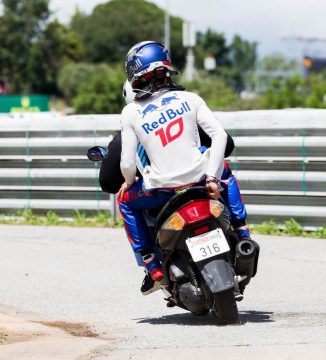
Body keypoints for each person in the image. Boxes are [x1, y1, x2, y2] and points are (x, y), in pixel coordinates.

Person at [117, 41, 253, 287]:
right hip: (201, 179)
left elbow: (127, 164)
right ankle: (242, 231)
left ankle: (150, 263)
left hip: (161, 190)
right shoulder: (191, 99)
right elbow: (220, 137)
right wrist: (212, 178)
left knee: (124, 201)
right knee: (225, 169)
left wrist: (129, 183)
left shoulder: (131, 113)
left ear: (134, 73)